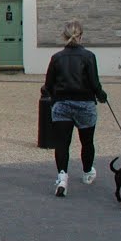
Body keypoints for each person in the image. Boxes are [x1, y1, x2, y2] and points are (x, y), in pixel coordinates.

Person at [43, 20, 107, 197]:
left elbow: (48, 84)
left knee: (62, 143)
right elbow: (94, 83)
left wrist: (51, 94)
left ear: (64, 36)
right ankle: (87, 172)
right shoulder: (88, 56)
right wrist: (101, 95)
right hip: (84, 103)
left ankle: (62, 176)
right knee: (87, 142)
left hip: (62, 104)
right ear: (81, 36)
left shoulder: (56, 58)